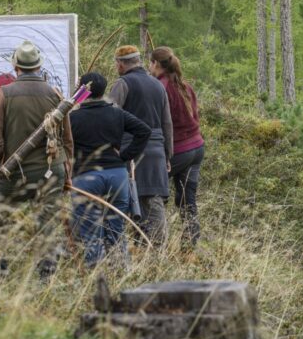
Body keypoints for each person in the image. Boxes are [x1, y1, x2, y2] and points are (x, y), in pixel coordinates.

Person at [0, 40, 73, 279]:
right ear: (38, 67)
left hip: (15, 172)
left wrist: (1, 167)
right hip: (51, 171)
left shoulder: (4, 94)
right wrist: (65, 171)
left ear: (16, 68)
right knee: (47, 222)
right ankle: (46, 275)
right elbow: (67, 139)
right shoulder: (56, 94)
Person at [68, 71, 152, 265]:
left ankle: (96, 276)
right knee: (116, 229)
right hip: (117, 176)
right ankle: (121, 271)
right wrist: (124, 156)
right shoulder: (117, 113)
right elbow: (144, 130)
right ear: (104, 90)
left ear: (83, 91)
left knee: (90, 231)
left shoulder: (73, 118)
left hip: (85, 179)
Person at [107, 44, 173, 244]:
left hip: (131, 150)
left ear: (120, 64)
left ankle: (132, 247)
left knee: (126, 201)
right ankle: (157, 249)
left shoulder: (122, 84)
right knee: (153, 201)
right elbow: (167, 123)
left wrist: (109, 150)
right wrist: (168, 155)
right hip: (157, 152)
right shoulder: (158, 85)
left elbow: (110, 118)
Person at [150, 46, 205, 248]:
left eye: (150, 63)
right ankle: (191, 246)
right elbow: (195, 117)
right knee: (187, 201)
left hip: (178, 151)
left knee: (154, 195)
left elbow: (158, 122)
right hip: (197, 148)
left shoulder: (160, 88)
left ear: (156, 64)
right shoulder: (185, 86)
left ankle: (154, 243)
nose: (149, 67)